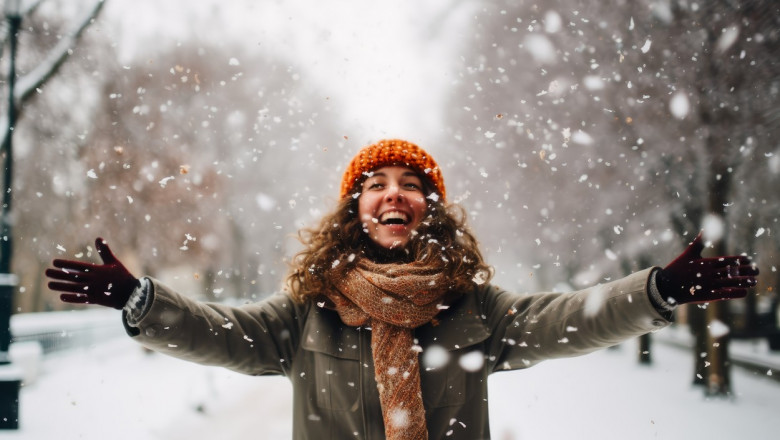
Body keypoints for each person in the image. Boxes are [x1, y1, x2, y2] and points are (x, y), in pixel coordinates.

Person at [46, 139, 759, 440]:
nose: (393, 196)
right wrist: (141, 301)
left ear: (431, 210)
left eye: (411, 186)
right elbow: (223, 332)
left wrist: (657, 289)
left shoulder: (474, 307)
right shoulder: (312, 309)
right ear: (354, 211)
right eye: (375, 186)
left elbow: (567, 318)